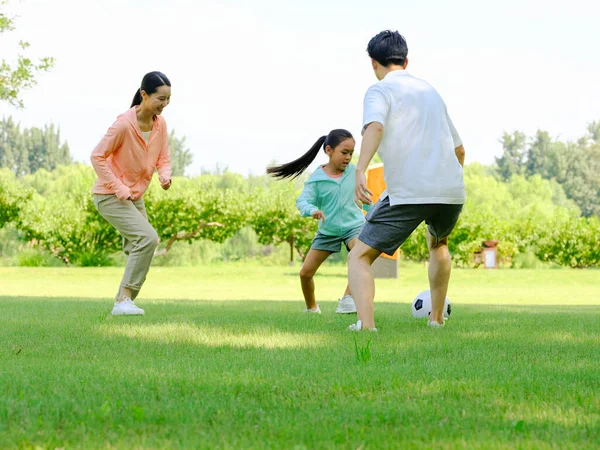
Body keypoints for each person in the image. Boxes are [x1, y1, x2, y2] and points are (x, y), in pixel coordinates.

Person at [348, 30, 466, 331]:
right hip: (451, 189)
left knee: (359, 256)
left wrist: (360, 169)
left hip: (411, 189)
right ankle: (436, 320)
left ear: (373, 63)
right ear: (406, 60)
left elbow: (374, 127)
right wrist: (446, 183)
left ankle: (367, 326)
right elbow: (459, 150)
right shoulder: (431, 92)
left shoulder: (379, 91)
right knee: (439, 244)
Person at [90, 71, 172, 316]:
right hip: (109, 195)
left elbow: (163, 157)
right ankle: (123, 301)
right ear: (144, 95)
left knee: (143, 244)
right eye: (160, 98)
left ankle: (123, 301)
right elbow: (97, 156)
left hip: (135, 196)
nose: (165, 104)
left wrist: (164, 174)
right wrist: (118, 187)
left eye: (168, 99)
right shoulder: (124, 124)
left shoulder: (160, 124)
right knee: (147, 239)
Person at [267, 129, 369, 314]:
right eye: (344, 153)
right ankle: (312, 308)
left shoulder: (355, 172)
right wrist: (312, 210)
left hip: (353, 226)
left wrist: (366, 205)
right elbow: (302, 201)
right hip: (328, 230)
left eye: (351, 154)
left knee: (361, 256)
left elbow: (364, 194)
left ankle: (348, 298)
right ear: (328, 150)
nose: (348, 158)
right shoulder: (318, 178)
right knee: (305, 273)